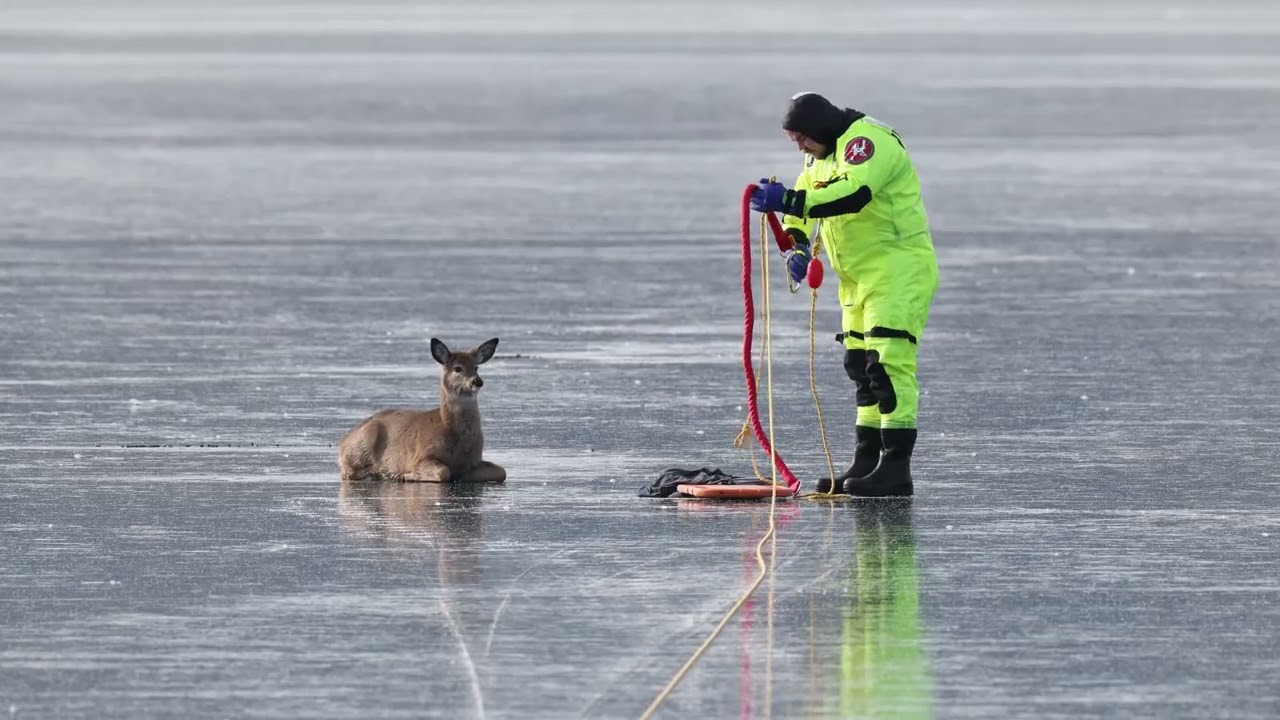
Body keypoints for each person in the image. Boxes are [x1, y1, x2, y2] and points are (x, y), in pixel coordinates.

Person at [750, 92, 939, 497]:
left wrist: (787, 199)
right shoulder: (819, 153)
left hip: (896, 269)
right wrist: (797, 240)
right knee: (861, 367)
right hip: (855, 277)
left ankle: (895, 468)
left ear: (819, 128)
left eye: (802, 138)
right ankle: (866, 460)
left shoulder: (868, 144)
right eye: (794, 141)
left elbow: (852, 194)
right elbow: (805, 196)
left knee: (888, 365)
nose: (800, 148)